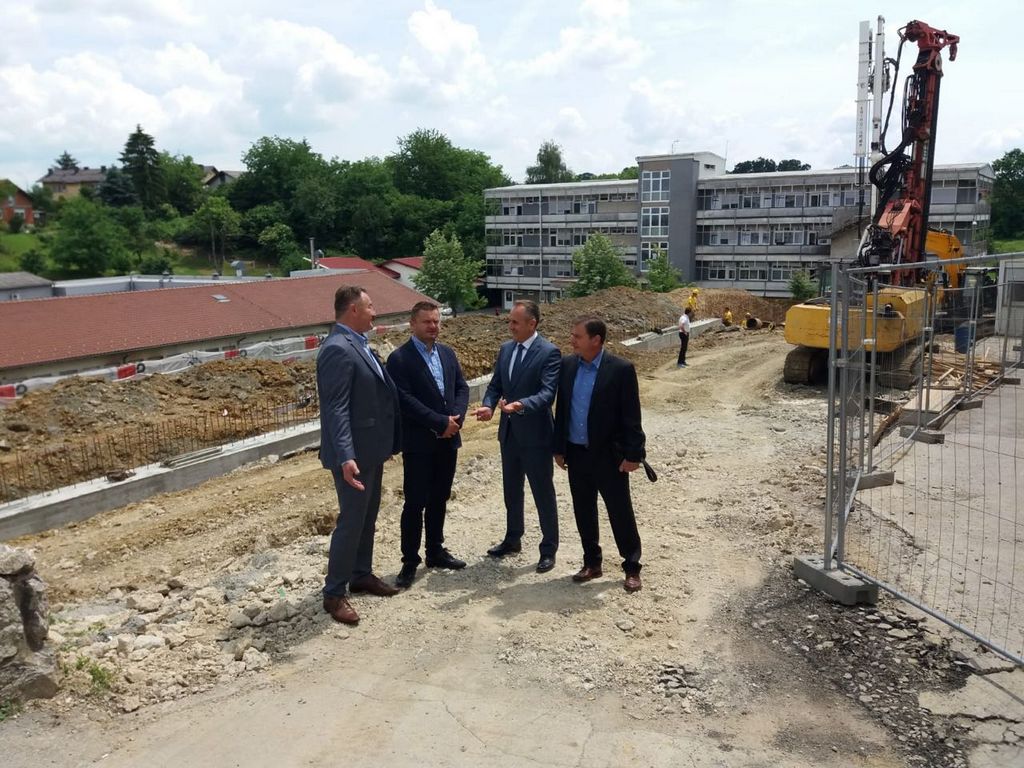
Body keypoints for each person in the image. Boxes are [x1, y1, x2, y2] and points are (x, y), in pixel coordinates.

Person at [317, 285, 402, 626]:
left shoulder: (359, 343)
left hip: (371, 449)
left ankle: (361, 573)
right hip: (352, 456)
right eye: (370, 306)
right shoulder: (337, 348)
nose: (374, 312)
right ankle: (334, 594)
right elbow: (335, 408)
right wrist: (346, 456)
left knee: (368, 516)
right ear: (353, 309)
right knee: (352, 521)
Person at [553, 317, 646, 593]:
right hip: (577, 453)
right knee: (583, 510)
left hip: (609, 456)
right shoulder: (568, 366)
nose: (572, 340)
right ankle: (592, 562)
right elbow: (562, 410)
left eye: (577, 336)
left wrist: (634, 454)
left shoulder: (620, 369)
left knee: (620, 511)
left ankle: (632, 566)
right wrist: (559, 448)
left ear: (596, 340)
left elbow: (631, 416)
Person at [386, 301, 470, 589]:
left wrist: (456, 419)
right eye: (427, 322)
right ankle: (410, 561)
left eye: (436, 321)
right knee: (415, 503)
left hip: (448, 442)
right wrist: (439, 422)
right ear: (413, 324)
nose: (433, 326)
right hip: (419, 444)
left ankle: (435, 551)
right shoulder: (400, 359)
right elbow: (404, 400)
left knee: (439, 497)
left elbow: (461, 387)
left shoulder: (446, 353)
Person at [474, 300, 560, 573]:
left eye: (515, 322)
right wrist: (489, 405)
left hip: (536, 435)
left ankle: (548, 549)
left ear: (532, 324)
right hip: (509, 434)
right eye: (509, 321)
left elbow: (547, 393)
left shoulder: (549, 352)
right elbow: (496, 385)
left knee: (542, 492)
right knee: (511, 490)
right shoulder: (506, 349)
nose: (510, 326)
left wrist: (521, 405)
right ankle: (513, 539)